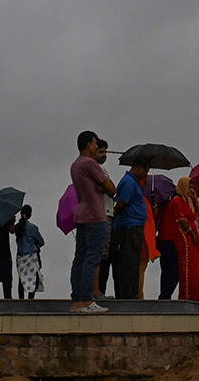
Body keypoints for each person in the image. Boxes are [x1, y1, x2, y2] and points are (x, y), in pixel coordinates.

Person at [70, 130, 116, 312]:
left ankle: (77, 300)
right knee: (92, 258)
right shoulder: (90, 164)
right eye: (95, 143)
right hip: (96, 215)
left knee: (79, 257)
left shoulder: (75, 165)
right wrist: (103, 186)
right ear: (88, 144)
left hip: (81, 214)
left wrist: (101, 185)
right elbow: (112, 189)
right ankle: (86, 301)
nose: (97, 146)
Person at [163, 177, 199, 301]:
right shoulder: (177, 200)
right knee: (187, 266)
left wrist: (194, 198)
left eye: (192, 187)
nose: (191, 189)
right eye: (189, 187)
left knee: (197, 266)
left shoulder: (189, 201)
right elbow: (181, 220)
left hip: (193, 234)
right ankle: (187, 295)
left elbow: (197, 214)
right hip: (184, 235)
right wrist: (191, 233)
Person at [111, 159, 149, 300]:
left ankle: (131, 293)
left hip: (133, 225)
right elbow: (121, 203)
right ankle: (128, 295)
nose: (145, 174)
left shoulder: (132, 182)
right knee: (129, 262)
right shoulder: (128, 182)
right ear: (139, 167)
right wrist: (116, 214)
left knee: (132, 261)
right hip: (129, 226)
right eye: (145, 170)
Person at [92, 138, 114, 300]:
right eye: (101, 151)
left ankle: (97, 290)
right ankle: (95, 291)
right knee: (99, 254)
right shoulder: (97, 169)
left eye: (105, 152)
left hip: (106, 212)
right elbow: (112, 189)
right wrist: (107, 186)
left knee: (102, 254)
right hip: (102, 213)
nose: (104, 155)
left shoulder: (100, 169)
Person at [15, 205, 45, 299]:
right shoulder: (32, 227)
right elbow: (42, 242)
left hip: (20, 257)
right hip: (31, 256)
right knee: (33, 278)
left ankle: (21, 299)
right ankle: (30, 299)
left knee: (22, 278)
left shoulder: (17, 227)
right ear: (30, 214)